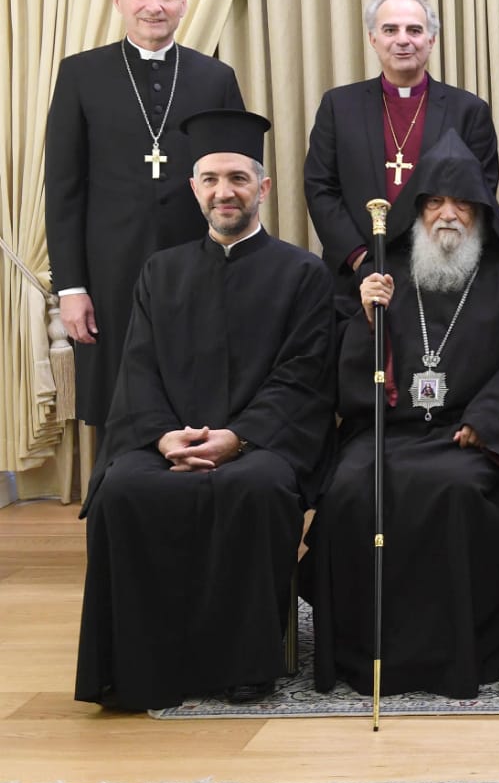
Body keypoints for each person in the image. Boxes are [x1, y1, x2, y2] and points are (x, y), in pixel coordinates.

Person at [75, 108, 335, 710]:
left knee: (258, 489)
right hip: (164, 440)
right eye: (212, 179)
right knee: (123, 489)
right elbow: (137, 368)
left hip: (262, 446)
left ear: (263, 189)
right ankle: (137, 666)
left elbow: (302, 379)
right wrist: (165, 438)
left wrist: (238, 438)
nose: (225, 192)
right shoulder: (160, 272)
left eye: (239, 179)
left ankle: (243, 667)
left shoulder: (303, 274)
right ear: (193, 188)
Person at [306, 134, 499, 698]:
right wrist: (367, 320)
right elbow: (347, 375)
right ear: (417, 211)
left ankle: (456, 653)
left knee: (454, 492)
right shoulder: (388, 278)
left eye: (461, 203)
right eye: (434, 202)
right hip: (390, 429)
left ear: (482, 211)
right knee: (349, 491)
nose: (447, 214)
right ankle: (362, 652)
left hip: (470, 439)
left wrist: (487, 420)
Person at [46, 0, 247, 429]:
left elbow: (239, 185)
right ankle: (117, 493)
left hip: (198, 261)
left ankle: (194, 491)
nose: (152, 6)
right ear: (119, 1)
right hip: (107, 268)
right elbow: (63, 187)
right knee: (116, 388)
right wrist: (70, 288)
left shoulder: (215, 78)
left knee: (197, 381)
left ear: (183, 4)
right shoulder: (80, 74)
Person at [304, 0, 498, 310]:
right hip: (358, 276)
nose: (403, 40)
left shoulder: (468, 110)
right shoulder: (338, 106)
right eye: (390, 30)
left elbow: (480, 193)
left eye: (415, 30)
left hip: (439, 274)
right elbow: (320, 187)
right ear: (372, 39)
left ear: (432, 41)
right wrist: (359, 257)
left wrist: (437, 254)